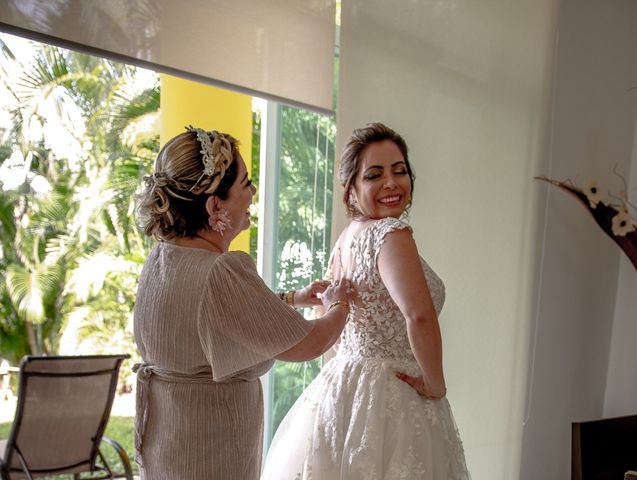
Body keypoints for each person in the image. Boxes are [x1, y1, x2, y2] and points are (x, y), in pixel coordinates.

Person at [133, 126, 350, 480]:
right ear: (215, 205)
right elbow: (308, 343)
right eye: (245, 184)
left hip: (169, 442)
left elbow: (215, 317)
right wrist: (339, 304)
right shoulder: (220, 271)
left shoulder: (162, 258)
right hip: (211, 449)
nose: (252, 193)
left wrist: (293, 299)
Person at [261, 123, 470, 479]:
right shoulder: (391, 233)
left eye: (399, 171)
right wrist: (436, 385)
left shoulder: (347, 239)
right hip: (394, 395)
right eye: (375, 174)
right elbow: (418, 315)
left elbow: (337, 326)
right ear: (352, 188)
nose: (391, 183)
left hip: (341, 387)